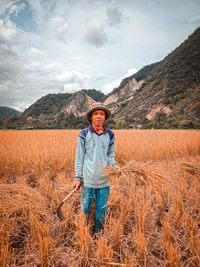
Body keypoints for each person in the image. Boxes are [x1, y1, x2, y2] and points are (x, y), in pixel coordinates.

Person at [73, 102, 118, 234]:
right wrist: (77, 177)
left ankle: (99, 235)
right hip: (88, 179)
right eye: (96, 114)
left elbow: (110, 156)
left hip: (104, 179)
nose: (99, 116)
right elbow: (79, 157)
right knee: (85, 208)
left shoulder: (110, 134)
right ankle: (84, 234)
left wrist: (114, 165)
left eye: (101, 114)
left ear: (105, 117)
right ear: (91, 117)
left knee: (101, 209)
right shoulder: (84, 134)